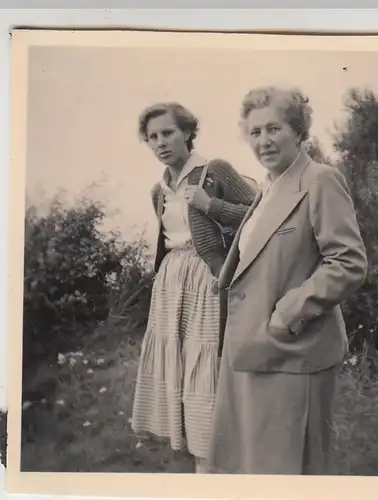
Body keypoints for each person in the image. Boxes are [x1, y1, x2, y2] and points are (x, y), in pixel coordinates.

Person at [207, 87, 368, 475]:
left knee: (289, 472)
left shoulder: (319, 180)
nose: (263, 141)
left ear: (298, 131)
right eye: (255, 132)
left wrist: (286, 314)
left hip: (293, 354)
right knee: (251, 468)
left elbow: (348, 262)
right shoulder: (267, 189)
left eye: (274, 129)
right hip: (249, 353)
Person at [131, 102, 257, 474]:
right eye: (153, 137)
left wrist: (211, 204)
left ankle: (212, 461)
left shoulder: (213, 171)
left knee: (206, 366)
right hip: (172, 282)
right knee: (179, 363)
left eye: (168, 132)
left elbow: (261, 215)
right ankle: (194, 453)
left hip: (206, 278)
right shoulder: (159, 189)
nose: (161, 142)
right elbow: (167, 240)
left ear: (187, 132)